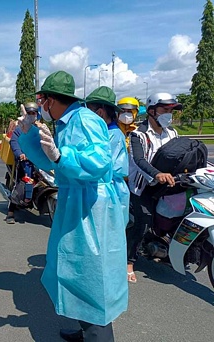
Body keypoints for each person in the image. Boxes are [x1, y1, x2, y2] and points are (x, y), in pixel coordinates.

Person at [17, 71, 127, 342]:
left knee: (91, 277)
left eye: (43, 100)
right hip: (74, 200)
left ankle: (98, 335)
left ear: (52, 100)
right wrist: (29, 132)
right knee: (71, 270)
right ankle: (81, 328)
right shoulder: (66, 122)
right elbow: (48, 161)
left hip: (90, 206)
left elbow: (100, 161)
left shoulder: (85, 120)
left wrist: (63, 155)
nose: (41, 106)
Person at [126, 93, 181, 283]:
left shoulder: (172, 133)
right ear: (151, 111)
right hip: (142, 187)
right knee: (144, 222)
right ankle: (129, 262)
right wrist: (157, 174)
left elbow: (181, 155)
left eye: (171, 110)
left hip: (166, 186)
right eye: (165, 109)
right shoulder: (138, 135)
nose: (169, 113)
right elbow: (139, 160)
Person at [85, 86, 129, 229]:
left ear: (100, 113)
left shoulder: (112, 136)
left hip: (109, 192)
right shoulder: (105, 134)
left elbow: (100, 165)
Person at [5, 102, 38, 224]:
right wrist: (20, 154)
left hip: (38, 162)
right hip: (24, 161)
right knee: (21, 183)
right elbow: (14, 142)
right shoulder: (20, 129)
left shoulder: (39, 129)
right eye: (28, 113)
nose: (31, 115)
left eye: (33, 113)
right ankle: (10, 212)